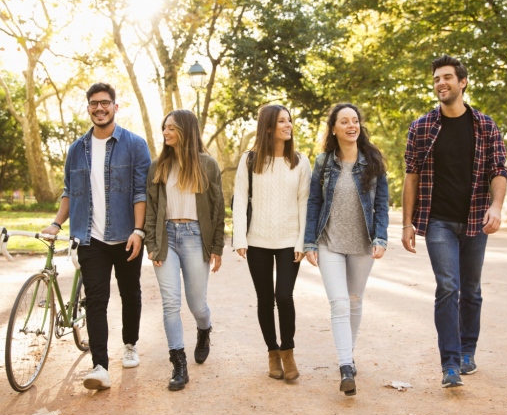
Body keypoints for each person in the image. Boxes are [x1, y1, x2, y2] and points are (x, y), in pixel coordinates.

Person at [401, 54, 507, 388]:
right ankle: (449, 364)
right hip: (439, 222)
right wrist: (407, 223)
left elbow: (499, 170)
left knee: (471, 290)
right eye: (436, 79)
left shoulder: (485, 126)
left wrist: (497, 207)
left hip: (477, 219)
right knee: (448, 286)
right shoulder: (421, 127)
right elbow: (411, 175)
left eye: (447, 77)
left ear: (463, 82)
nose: (441, 83)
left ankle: (467, 352)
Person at [42, 82, 151, 391]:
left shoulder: (134, 144)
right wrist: (56, 224)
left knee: (130, 292)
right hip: (90, 239)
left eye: (105, 103)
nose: (99, 108)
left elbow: (141, 192)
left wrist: (139, 231)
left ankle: (130, 343)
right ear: (88, 108)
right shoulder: (77, 149)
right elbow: (69, 192)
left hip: (127, 236)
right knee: (96, 301)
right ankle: (100, 366)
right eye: (94, 104)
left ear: (115, 107)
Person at [304, 103, 389, 396]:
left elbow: (381, 205)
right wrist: (309, 242)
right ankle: (345, 367)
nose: (352, 125)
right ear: (334, 129)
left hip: (362, 243)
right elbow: (314, 202)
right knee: (339, 302)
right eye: (345, 121)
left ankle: (348, 354)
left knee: (354, 300)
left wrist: (380, 238)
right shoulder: (323, 162)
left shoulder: (373, 160)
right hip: (330, 242)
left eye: (355, 121)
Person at [144, 109, 225, 391]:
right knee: (170, 303)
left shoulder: (207, 164)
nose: (166, 133)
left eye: (172, 128)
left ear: (186, 132)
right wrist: (151, 245)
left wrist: (217, 247)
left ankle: (204, 329)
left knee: (196, 304)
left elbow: (217, 209)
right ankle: (179, 363)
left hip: (194, 237)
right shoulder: (158, 166)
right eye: (164, 127)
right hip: (166, 238)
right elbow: (152, 210)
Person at [233, 104, 311, 382]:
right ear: (268, 127)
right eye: (281, 121)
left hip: (290, 240)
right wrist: (240, 238)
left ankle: (288, 351)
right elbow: (240, 199)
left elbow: (305, 203)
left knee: (284, 296)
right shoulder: (250, 160)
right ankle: (272, 352)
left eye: (289, 120)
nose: (288, 125)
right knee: (265, 299)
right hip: (257, 240)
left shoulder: (300, 161)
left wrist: (304, 241)